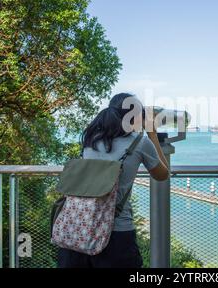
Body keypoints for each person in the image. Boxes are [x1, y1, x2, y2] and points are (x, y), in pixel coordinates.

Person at [57, 93, 169, 268]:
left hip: (78, 227)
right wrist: (152, 134)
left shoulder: (91, 140)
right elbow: (162, 175)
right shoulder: (141, 143)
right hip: (116, 233)